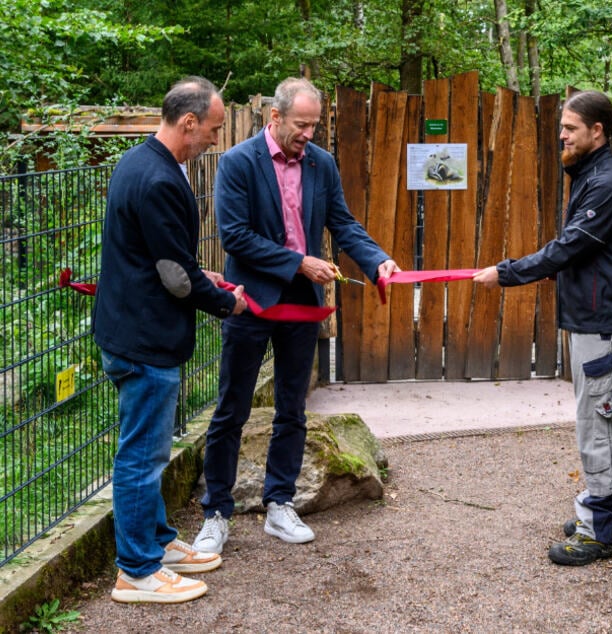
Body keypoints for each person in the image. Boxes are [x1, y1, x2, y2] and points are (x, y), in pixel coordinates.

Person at [193, 77, 399, 553]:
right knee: (232, 408)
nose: (308, 134)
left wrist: (376, 260)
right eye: (301, 125)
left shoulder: (321, 164)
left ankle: (280, 504)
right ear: (276, 118)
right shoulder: (239, 162)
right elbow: (235, 236)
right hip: (250, 301)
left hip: (300, 305)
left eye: (314, 125)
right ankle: (217, 512)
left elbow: (342, 222)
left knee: (293, 407)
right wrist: (298, 261)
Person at [93, 76, 248, 603]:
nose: (215, 139)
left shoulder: (140, 162)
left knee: (151, 449)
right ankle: (136, 571)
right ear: (188, 122)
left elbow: (164, 257)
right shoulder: (159, 180)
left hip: (131, 328)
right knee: (142, 456)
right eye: (213, 128)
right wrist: (228, 302)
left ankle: (157, 542)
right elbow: (176, 278)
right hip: (143, 340)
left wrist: (206, 276)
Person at [473, 90, 612, 566]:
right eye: (562, 127)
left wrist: (504, 273)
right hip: (591, 320)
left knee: (595, 425)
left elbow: (565, 249)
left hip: (599, 324)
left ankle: (596, 531)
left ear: (597, 132)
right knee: (606, 418)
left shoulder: (604, 184)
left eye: (569, 128)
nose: (561, 135)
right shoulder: (590, 175)